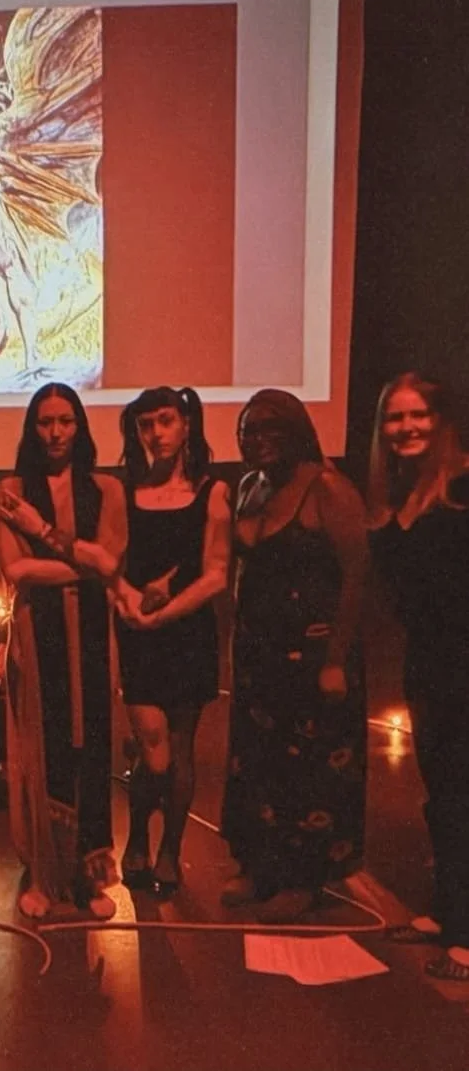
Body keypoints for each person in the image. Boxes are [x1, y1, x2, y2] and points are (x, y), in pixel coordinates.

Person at [221, 389, 368, 922]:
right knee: (256, 764)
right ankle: (260, 867)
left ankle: (304, 879)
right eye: (248, 430)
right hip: (259, 654)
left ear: (296, 428)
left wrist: (335, 659)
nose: (257, 439)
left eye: (269, 428)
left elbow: (355, 577)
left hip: (312, 656)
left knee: (309, 772)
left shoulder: (328, 488)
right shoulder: (249, 489)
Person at [0, 383, 126, 918]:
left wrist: (42, 530)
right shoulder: (10, 489)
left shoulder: (107, 489)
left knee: (89, 746)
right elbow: (14, 569)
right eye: (45, 421)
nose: (55, 432)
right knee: (41, 750)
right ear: (32, 427)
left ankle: (88, 876)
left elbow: (113, 564)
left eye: (65, 421)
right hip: (36, 631)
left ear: (80, 426)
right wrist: (84, 564)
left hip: (94, 632)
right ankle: (44, 872)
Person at [367, 373, 469, 981]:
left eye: (417, 415)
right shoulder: (401, 493)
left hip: (465, 661)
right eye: (394, 418)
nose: (405, 428)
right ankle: (448, 913)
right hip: (430, 661)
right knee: (445, 793)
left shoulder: (461, 487)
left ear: (440, 418)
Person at [113, 387, 231, 894]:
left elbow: (216, 574)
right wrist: (131, 604)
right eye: (145, 424)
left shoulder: (213, 490)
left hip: (186, 633)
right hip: (136, 630)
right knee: (151, 749)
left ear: (186, 425)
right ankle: (137, 835)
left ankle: (168, 853)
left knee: (182, 748)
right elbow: (109, 562)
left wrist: (161, 616)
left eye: (165, 421)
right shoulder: (124, 490)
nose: (155, 433)